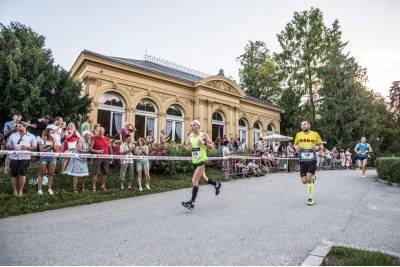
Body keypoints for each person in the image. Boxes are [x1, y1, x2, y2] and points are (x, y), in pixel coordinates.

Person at [181, 120, 222, 211]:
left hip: (202, 160)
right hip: (195, 161)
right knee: (204, 179)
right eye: (191, 125)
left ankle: (192, 202)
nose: (192, 126)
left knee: (194, 180)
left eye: (194, 125)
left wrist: (204, 143)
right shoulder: (190, 136)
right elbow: (186, 145)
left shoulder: (203, 135)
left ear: (198, 126)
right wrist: (187, 147)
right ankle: (217, 185)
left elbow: (212, 146)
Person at [294, 120, 323, 206]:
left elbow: (321, 146)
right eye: (302, 125)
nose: (303, 126)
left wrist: (317, 147)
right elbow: (295, 144)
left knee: (308, 178)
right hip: (302, 160)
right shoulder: (298, 135)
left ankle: (311, 198)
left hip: (312, 160)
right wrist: (296, 147)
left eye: (305, 124)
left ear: (309, 125)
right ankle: (312, 179)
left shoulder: (315, 134)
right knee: (304, 181)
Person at [6, 121, 37, 196]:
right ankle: (15, 191)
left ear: (25, 127)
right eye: (17, 126)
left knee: (23, 174)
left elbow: (35, 147)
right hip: (14, 157)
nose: (17, 128)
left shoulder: (31, 136)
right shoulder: (13, 136)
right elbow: (7, 146)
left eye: (19, 126)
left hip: (25, 157)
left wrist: (27, 147)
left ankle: (20, 191)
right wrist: (11, 147)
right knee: (14, 174)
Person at [91, 127, 113, 191]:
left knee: (105, 172)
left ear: (103, 132)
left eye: (100, 131)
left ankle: (103, 186)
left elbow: (110, 148)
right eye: (98, 131)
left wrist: (111, 157)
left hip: (106, 158)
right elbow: (91, 149)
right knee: (95, 173)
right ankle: (93, 187)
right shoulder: (94, 139)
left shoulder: (107, 138)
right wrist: (97, 151)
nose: (99, 132)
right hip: (97, 158)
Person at [37, 128, 56, 195]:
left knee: (50, 174)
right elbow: (41, 150)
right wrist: (50, 147)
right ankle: (39, 189)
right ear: (47, 133)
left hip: (52, 158)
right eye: (51, 132)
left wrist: (53, 144)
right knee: (42, 174)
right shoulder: (42, 140)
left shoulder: (54, 140)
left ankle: (49, 188)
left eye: (53, 132)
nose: (52, 134)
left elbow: (55, 150)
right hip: (44, 158)